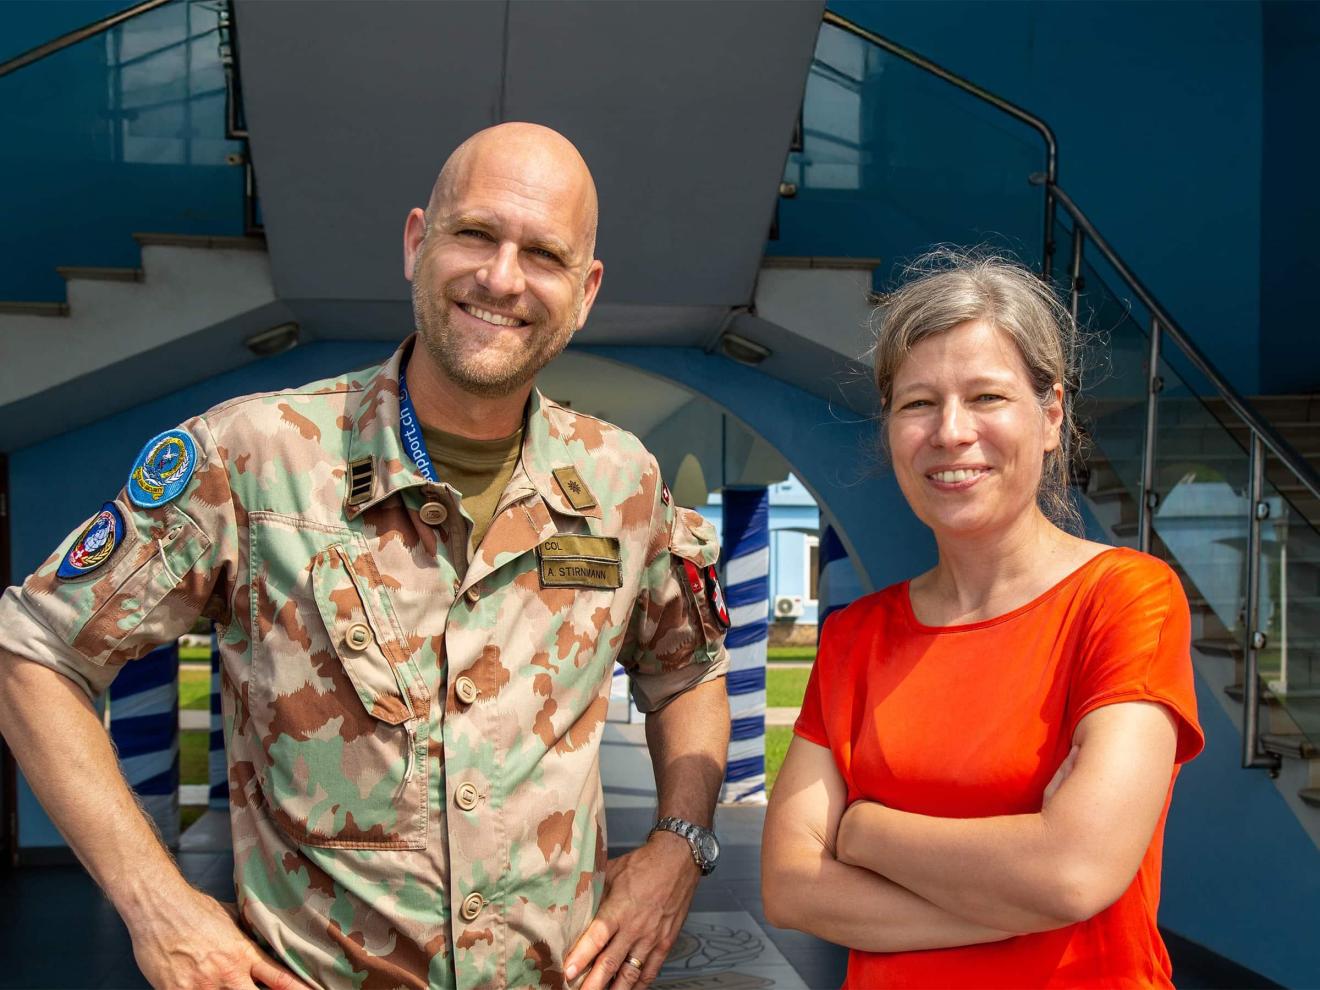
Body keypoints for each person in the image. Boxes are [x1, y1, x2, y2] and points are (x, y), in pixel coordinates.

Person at [0, 123, 731, 990]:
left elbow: (687, 672)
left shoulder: (623, 483)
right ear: (418, 242)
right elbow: (33, 651)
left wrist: (679, 845)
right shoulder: (254, 459)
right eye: (475, 234)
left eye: (543, 253)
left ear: (585, 291)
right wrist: (155, 901)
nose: (502, 277)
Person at [761, 250, 1204, 988]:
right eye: (918, 403)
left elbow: (1071, 871)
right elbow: (789, 884)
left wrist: (864, 831)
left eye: (987, 397)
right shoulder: (856, 637)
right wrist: (1023, 894)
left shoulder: (1125, 598)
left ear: (1051, 416)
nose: (951, 432)